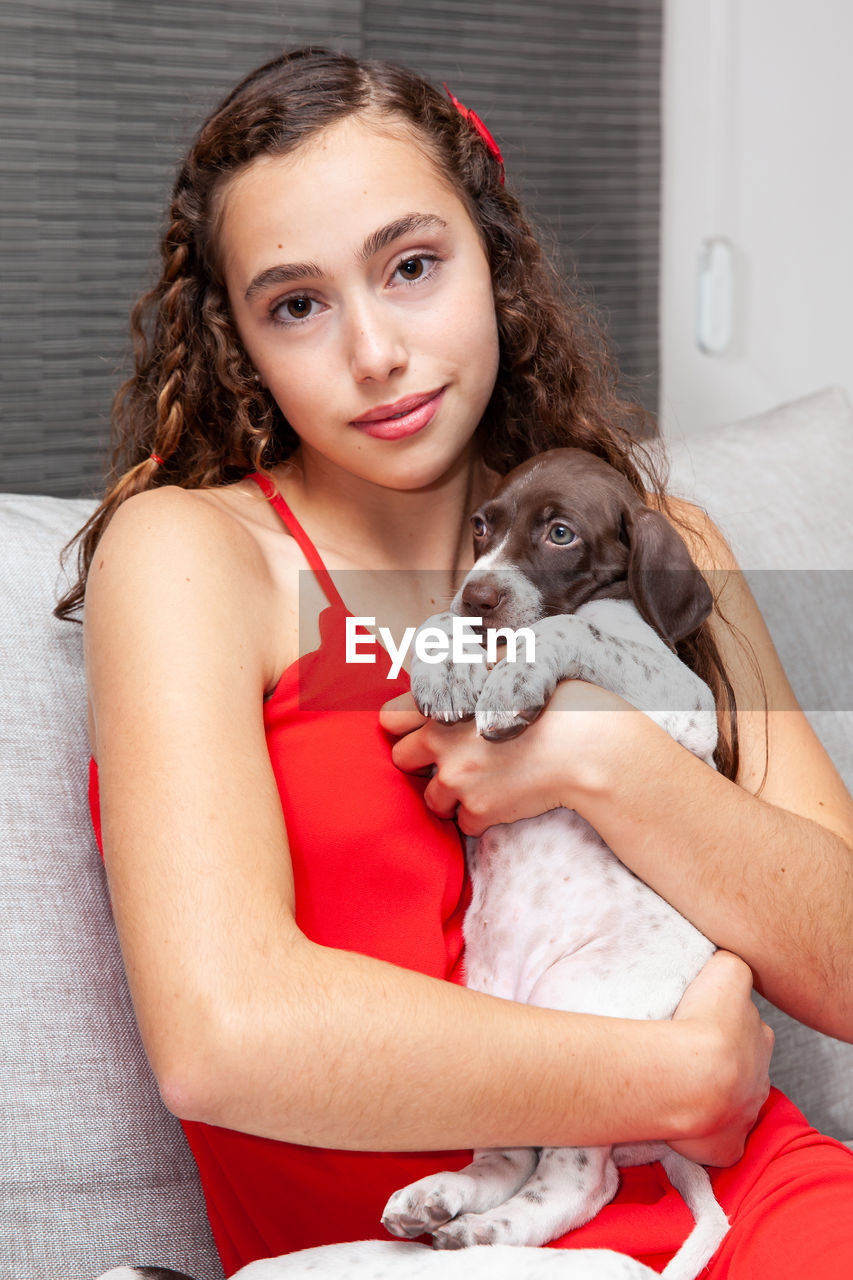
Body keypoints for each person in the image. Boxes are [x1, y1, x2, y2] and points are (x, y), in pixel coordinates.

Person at [60, 46, 853, 1279]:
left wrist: (605, 758)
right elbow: (221, 1035)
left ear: (496, 262)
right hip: (426, 1242)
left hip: (752, 1206)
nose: (374, 350)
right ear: (241, 346)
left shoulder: (653, 548)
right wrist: (668, 1074)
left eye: (413, 265)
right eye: (297, 303)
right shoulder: (194, 557)